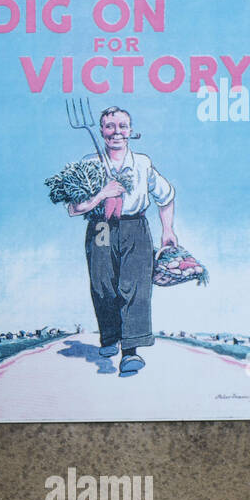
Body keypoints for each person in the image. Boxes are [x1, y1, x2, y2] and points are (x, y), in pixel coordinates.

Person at [65, 106, 178, 374]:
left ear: (131, 131)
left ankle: (130, 352)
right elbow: (74, 208)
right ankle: (110, 336)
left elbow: (167, 196)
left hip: (135, 226)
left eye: (122, 126)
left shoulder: (142, 163)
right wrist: (102, 194)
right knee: (103, 283)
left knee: (135, 286)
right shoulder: (89, 164)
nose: (116, 132)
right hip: (101, 226)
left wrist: (168, 230)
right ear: (102, 131)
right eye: (110, 126)